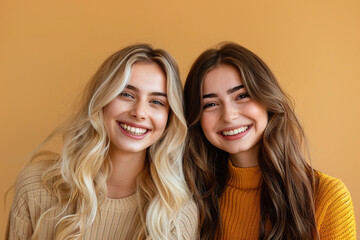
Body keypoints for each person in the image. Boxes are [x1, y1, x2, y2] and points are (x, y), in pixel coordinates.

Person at [7, 44, 198, 240]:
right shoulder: (37, 185)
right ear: (102, 100)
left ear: (169, 118)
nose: (139, 112)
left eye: (157, 102)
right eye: (126, 94)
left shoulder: (178, 215)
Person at [183, 42, 356, 239]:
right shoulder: (192, 201)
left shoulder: (326, 196)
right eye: (211, 103)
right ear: (196, 118)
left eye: (241, 96)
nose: (229, 115)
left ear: (267, 99)